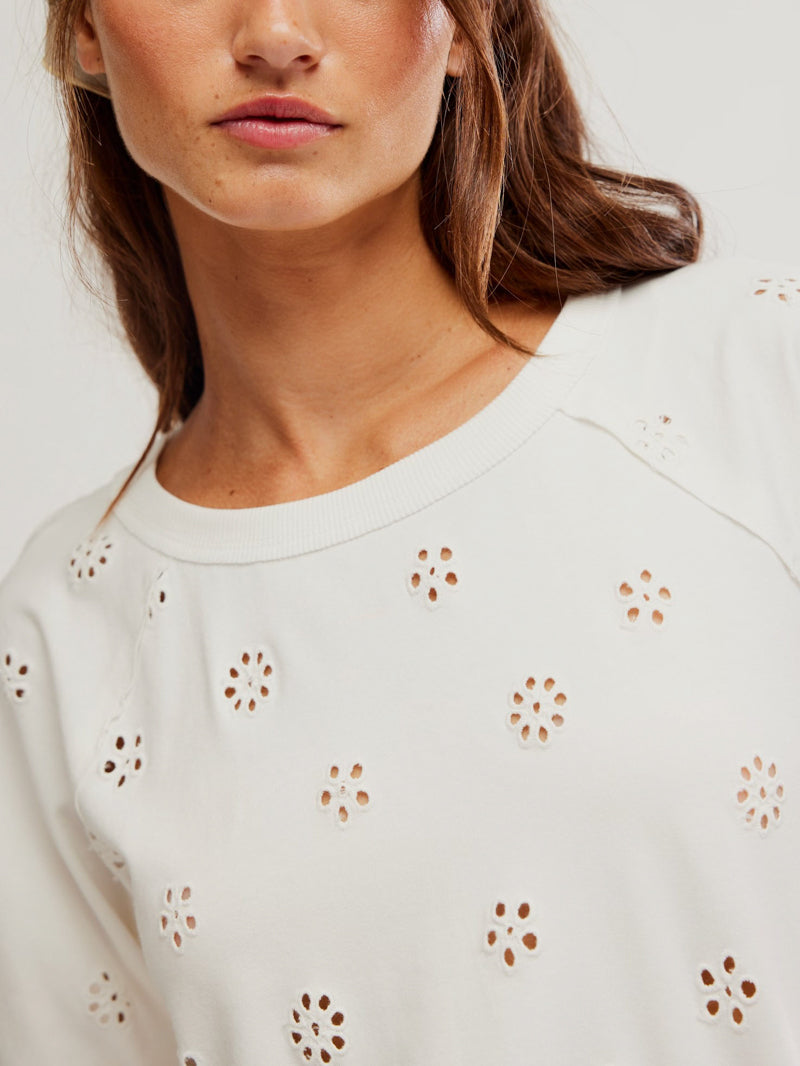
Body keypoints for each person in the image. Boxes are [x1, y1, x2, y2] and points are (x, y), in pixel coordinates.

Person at [1, 0, 798, 1062]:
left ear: (466, 25)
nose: (274, 31)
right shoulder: (61, 629)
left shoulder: (745, 370)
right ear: (86, 31)